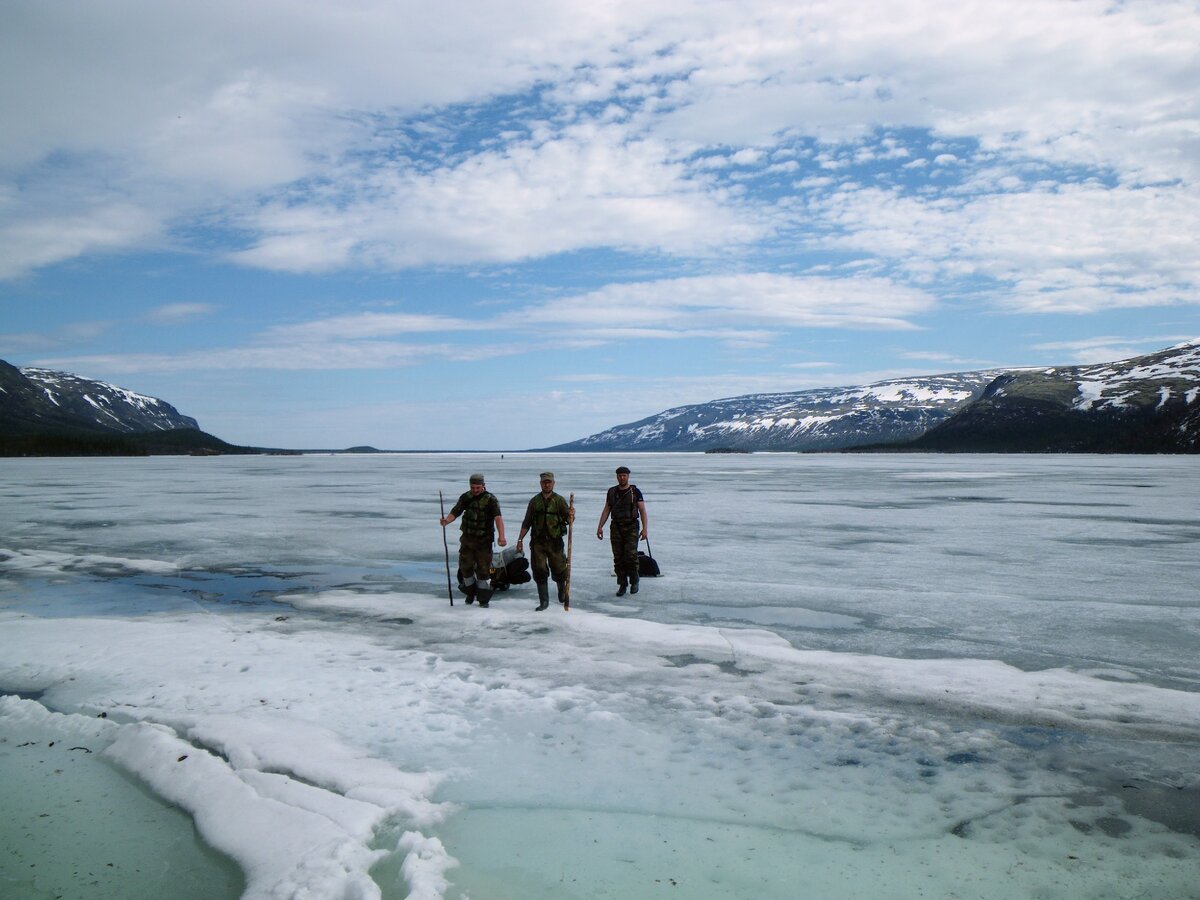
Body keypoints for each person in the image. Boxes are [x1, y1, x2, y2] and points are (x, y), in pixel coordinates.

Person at [440, 473, 506, 607]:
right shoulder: (466, 497)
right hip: (467, 540)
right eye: (472, 487)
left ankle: (483, 599)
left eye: (478, 487)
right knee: (465, 567)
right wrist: (447, 520)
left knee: (483, 570)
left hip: (484, 541)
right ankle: (470, 593)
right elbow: (456, 511)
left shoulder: (490, 499)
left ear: (483, 486)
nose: (475, 490)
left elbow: (498, 518)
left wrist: (501, 536)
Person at [516, 472, 575, 611]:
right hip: (538, 542)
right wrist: (520, 539)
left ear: (553, 483)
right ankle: (544, 602)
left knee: (559, 569)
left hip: (555, 542)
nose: (546, 484)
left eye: (549, 482)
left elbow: (569, 520)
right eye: (544, 482)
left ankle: (561, 591)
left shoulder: (559, 500)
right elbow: (526, 522)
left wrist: (572, 514)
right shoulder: (534, 501)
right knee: (539, 570)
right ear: (540, 483)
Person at [596, 465, 647, 596]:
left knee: (630, 555)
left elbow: (642, 511)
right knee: (618, 557)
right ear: (617, 477)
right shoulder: (612, 492)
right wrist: (600, 526)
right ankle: (622, 584)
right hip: (616, 527)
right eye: (620, 475)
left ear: (628, 477)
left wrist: (645, 529)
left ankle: (634, 581)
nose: (622, 477)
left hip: (631, 526)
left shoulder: (635, 492)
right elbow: (607, 509)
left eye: (624, 475)